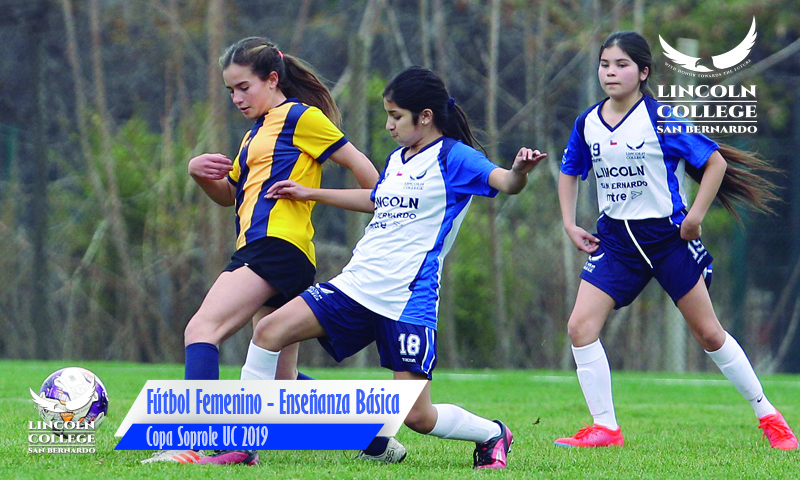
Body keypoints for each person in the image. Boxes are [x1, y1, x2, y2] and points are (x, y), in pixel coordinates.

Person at [236, 66, 546, 470]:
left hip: (406, 299)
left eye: (396, 116)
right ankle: (240, 445)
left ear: (426, 117)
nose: (388, 125)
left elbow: (505, 182)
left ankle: (492, 433)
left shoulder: (454, 156)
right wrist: (310, 192)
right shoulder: (399, 158)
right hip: (357, 284)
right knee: (268, 330)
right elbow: (377, 199)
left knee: (418, 417)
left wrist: (519, 172)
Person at [142, 37, 406, 465]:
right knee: (281, 381)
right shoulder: (253, 137)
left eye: (244, 87)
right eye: (230, 90)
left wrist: (312, 193)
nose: (236, 98)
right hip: (274, 251)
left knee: (201, 329)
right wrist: (197, 174)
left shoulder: (302, 117)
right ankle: (374, 439)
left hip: (276, 248)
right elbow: (230, 196)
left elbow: (372, 181)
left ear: (272, 78)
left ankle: (193, 441)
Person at [555, 31, 797, 450]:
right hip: (616, 243)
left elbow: (715, 163)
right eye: (604, 64)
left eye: (621, 64)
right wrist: (568, 222)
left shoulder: (661, 117)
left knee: (709, 334)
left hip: (668, 240)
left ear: (643, 72)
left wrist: (696, 219)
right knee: (580, 328)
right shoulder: (587, 122)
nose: (610, 72)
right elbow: (570, 171)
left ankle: (770, 416)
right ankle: (606, 429)